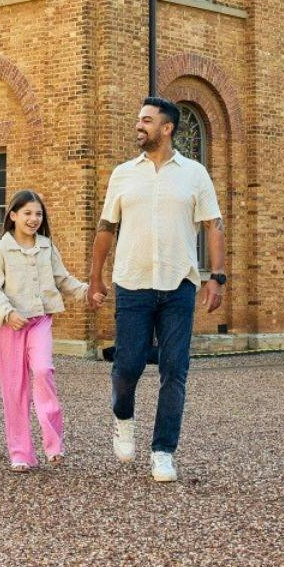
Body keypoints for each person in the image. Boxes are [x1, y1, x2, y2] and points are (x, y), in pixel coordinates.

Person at [88, 97, 224, 483]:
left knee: (175, 370)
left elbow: (214, 225)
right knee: (127, 366)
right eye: (138, 120)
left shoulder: (195, 174)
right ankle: (123, 419)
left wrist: (218, 276)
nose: (139, 126)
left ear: (167, 128)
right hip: (132, 284)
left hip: (179, 284)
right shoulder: (123, 174)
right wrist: (96, 277)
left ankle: (163, 450)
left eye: (146, 120)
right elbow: (105, 228)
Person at [0, 189, 87, 471]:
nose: (33, 218)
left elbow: (62, 279)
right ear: (13, 216)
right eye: (27, 213)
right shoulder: (1, 249)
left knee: (43, 371)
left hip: (40, 321)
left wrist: (87, 293)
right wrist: (7, 312)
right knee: (14, 389)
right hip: (11, 326)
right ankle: (21, 453)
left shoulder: (47, 247)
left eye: (38, 213)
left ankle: (53, 445)